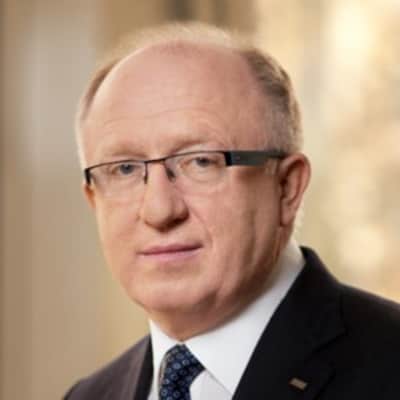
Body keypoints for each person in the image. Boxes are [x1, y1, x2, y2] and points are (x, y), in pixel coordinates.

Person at [64, 23, 400, 400]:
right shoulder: (89, 395)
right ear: (94, 200)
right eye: (124, 169)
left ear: (287, 187)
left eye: (201, 161)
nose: (159, 210)